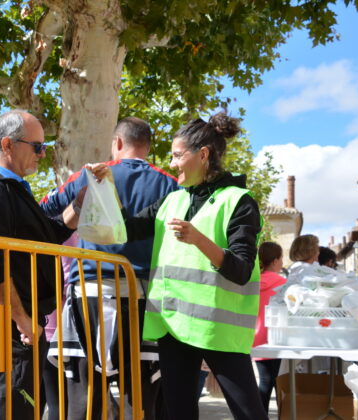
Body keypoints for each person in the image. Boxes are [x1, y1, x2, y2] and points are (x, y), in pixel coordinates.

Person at [89, 112, 267, 419]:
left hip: (216, 329)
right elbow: (124, 231)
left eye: (177, 156)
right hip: (173, 326)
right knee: (178, 412)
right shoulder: (173, 201)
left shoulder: (239, 201)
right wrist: (107, 187)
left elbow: (240, 269)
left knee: (249, 413)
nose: (171, 164)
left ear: (203, 154)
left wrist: (200, 240)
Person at [40, 117, 178, 419]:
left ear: (117, 142)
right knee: (139, 399)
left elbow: (44, 210)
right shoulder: (170, 183)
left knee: (83, 397)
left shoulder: (90, 175)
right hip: (143, 299)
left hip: (87, 295)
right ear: (148, 145)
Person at [0, 109, 78, 420]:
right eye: (37, 146)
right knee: (8, 404)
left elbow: (51, 234)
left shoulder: (11, 187)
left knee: (24, 405)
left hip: (21, 322)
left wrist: (83, 200)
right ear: (8, 145)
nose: (43, 153)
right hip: (9, 327)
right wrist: (21, 318)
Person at [252, 242, 286, 414]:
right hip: (277, 337)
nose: (282, 262)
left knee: (265, 380)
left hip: (256, 338)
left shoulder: (254, 282)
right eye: (281, 258)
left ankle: (259, 415)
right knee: (276, 382)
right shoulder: (283, 284)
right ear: (274, 260)